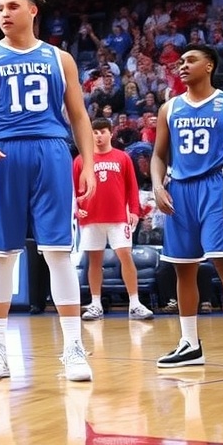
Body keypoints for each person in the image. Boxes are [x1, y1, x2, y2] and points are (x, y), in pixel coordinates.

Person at [0, 0, 95, 384]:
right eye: (0, 8)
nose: (4, 13)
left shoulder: (60, 58)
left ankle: (73, 347)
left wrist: (87, 164)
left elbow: (79, 116)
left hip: (51, 151)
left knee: (58, 252)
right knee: (2, 255)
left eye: (13, 6)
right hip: (2, 153)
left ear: (33, 10)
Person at [151, 45, 223, 372]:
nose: (182, 65)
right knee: (183, 267)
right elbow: (158, 155)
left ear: (209, 65)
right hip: (179, 190)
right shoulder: (169, 108)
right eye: (181, 62)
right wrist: (157, 185)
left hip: (215, 186)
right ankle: (190, 344)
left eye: (191, 60)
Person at [76, 117, 150, 321]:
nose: (99, 136)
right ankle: (95, 304)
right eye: (95, 132)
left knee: (126, 256)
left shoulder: (123, 157)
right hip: (91, 218)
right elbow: (73, 190)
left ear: (111, 133)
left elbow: (132, 187)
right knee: (94, 261)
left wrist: (134, 211)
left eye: (102, 132)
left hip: (118, 217)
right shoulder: (81, 160)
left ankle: (135, 304)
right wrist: (76, 210)